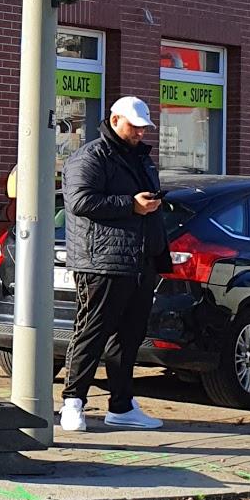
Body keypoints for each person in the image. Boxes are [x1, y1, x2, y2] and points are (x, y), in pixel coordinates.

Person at [58, 95, 171, 433]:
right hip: (102, 261)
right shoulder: (90, 156)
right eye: (135, 126)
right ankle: (72, 403)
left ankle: (122, 405)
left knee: (130, 336)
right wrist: (131, 205)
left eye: (143, 127)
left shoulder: (140, 158)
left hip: (139, 260)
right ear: (115, 119)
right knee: (92, 332)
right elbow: (79, 201)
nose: (140, 133)